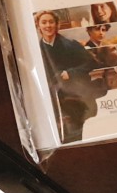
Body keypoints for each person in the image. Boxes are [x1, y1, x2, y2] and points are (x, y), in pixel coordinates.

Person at [35, 10, 103, 144]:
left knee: (79, 136)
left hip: (74, 98)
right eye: (44, 22)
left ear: (57, 24)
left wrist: (71, 73)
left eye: (51, 22)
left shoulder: (70, 44)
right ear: (38, 26)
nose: (48, 25)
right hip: (51, 100)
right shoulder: (36, 49)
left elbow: (92, 63)